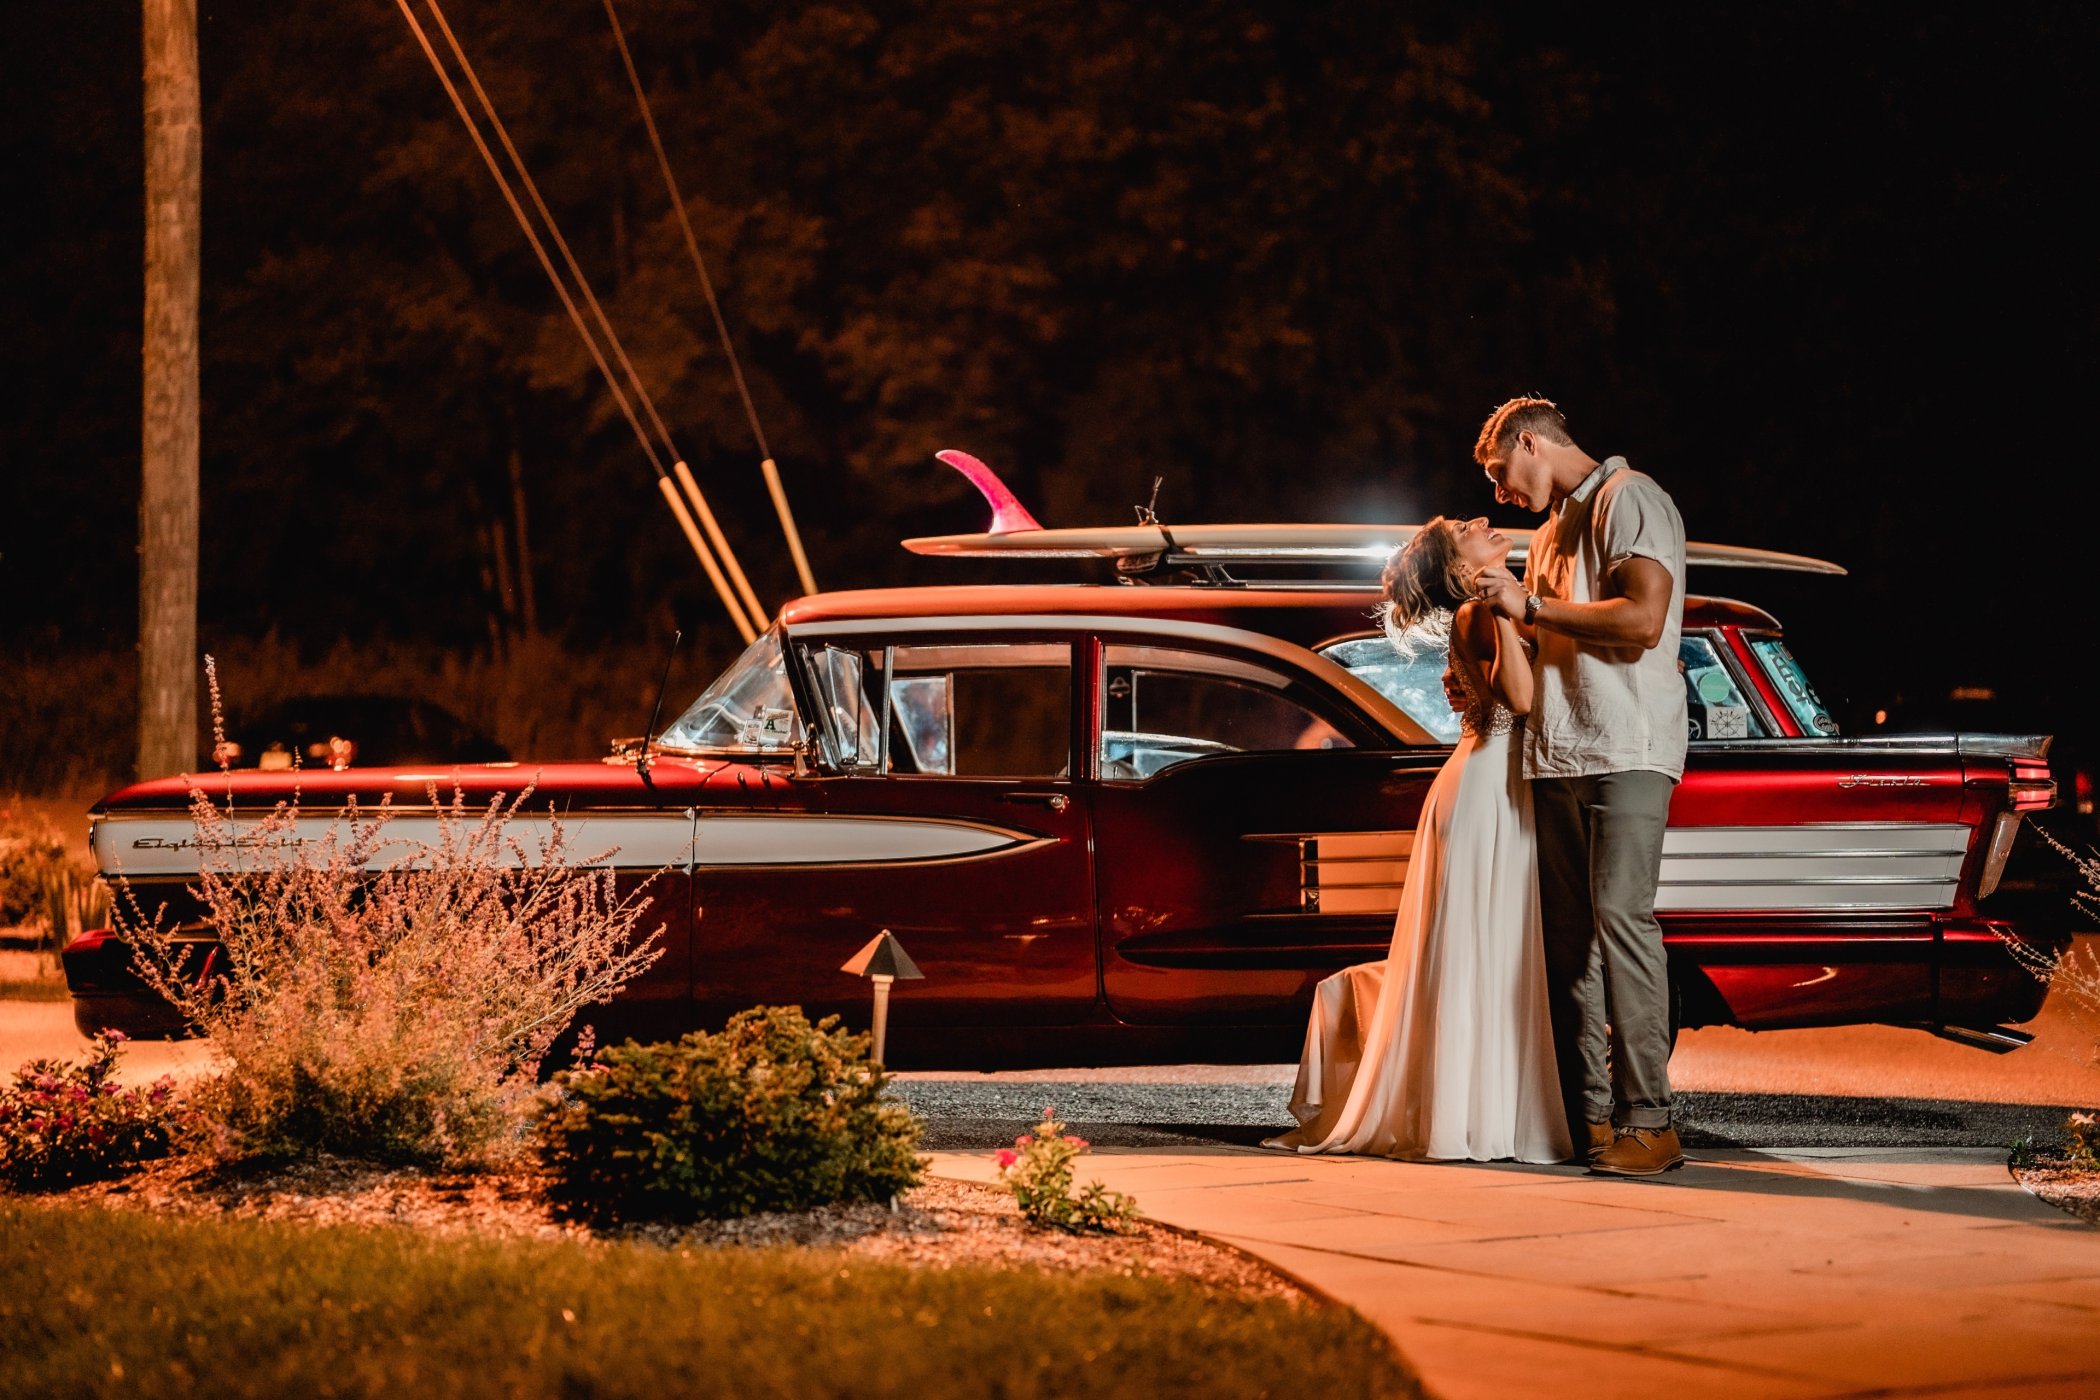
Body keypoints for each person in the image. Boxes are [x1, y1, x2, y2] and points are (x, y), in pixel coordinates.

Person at [1266, 515, 1570, 1164]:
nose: (1484, 521)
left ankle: (1486, 1110)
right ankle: (1480, 1114)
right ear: (1457, 564)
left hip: (1491, 779)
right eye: (1466, 527)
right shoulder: (1478, 614)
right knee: (1490, 946)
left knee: (1494, 945)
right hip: (1490, 784)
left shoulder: (1486, 612)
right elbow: (1519, 695)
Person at [1471, 396, 1688, 1177]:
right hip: (1560, 753)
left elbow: (1643, 621)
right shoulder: (1551, 532)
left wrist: (1529, 604)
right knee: (1570, 952)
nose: (1500, 493)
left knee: (1623, 925)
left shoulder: (1630, 499)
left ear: (1531, 443)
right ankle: (1592, 1122)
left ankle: (1651, 1123)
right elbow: (1540, 636)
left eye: (1501, 473)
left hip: (1628, 747)